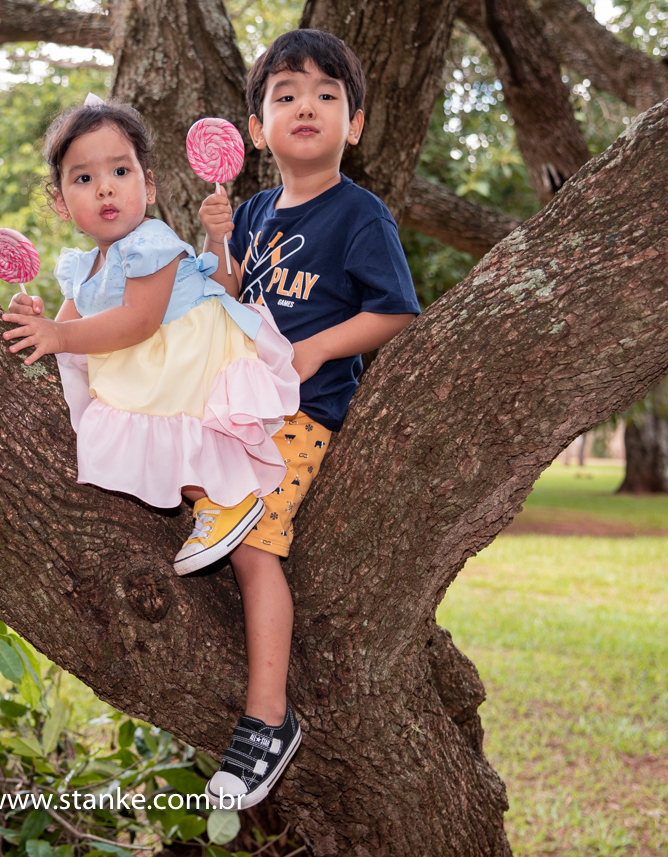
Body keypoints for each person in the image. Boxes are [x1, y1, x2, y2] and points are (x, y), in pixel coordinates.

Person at [196, 30, 421, 808]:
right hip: (237, 405)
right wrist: (220, 242)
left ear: (353, 125)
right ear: (256, 129)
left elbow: (395, 310)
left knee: (255, 546)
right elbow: (226, 296)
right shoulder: (255, 209)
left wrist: (314, 350)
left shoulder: (359, 214)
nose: (306, 106)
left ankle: (267, 719)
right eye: (286, 94)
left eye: (327, 95)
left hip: (301, 410)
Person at [1, 98, 300, 575]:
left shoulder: (150, 242)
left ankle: (221, 503)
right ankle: (210, 500)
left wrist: (58, 333)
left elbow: (138, 320)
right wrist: (36, 321)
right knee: (142, 418)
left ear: (149, 185)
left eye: (120, 172)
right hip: (154, 357)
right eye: (83, 179)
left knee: (176, 425)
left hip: (191, 352)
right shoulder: (86, 266)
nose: (104, 189)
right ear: (60, 201)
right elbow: (67, 338)